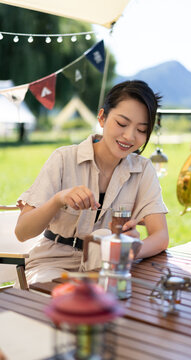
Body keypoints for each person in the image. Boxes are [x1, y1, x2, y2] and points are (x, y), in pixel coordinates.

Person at [15, 80, 169, 284]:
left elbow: (160, 236)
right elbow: (22, 231)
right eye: (122, 124)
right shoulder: (63, 159)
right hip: (51, 265)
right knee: (68, 303)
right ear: (102, 117)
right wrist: (58, 199)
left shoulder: (143, 170)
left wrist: (129, 249)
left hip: (107, 268)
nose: (129, 136)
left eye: (141, 130)